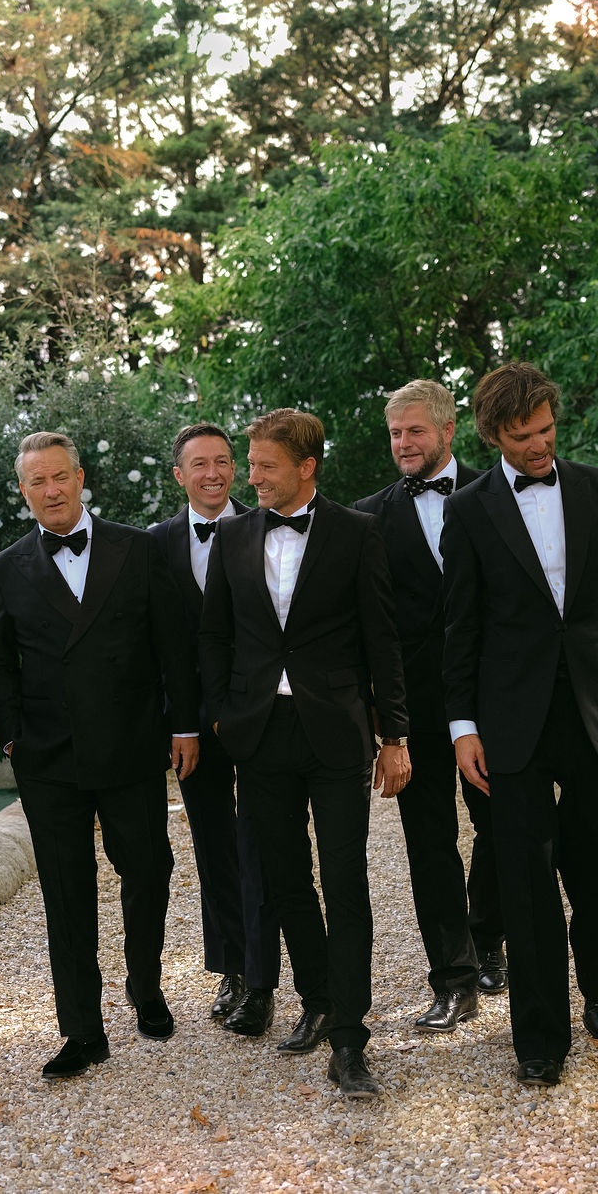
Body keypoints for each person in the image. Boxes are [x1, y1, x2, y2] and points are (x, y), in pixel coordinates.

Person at [442, 363, 598, 1087]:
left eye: (547, 429)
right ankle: (538, 1037)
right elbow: (459, 626)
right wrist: (462, 725)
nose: (539, 445)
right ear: (494, 433)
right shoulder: (468, 510)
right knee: (524, 881)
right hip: (508, 720)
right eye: (523, 435)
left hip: (595, 709)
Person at [200, 408, 410, 1098]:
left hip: (336, 730)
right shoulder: (231, 538)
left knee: (345, 883)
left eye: (264, 465)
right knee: (286, 880)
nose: (250, 476)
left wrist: (394, 735)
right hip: (260, 733)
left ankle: (350, 1039)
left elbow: (384, 638)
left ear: (307, 466)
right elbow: (216, 639)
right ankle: (317, 994)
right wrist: (225, 718)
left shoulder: (357, 532)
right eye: (250, 463)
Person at [0, 432, 199, 1080]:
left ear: (80, 478)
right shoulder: (6, 567)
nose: (51, 490)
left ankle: (145, 985)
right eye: (36, 482)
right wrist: (13, 737)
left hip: (131, 745)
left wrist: (183, 725)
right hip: (50, 758)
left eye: (59, 477)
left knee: (150, 869)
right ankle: (82, 1028)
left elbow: (171, 643)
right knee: (66, 895)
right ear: (24, 492)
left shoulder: (138, 547)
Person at [354, 380, 505, 1032]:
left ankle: (489, 939)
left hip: (492, 699)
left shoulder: (497, 496)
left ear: (449, 431)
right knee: (428, 841)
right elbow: (368, 630)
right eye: (395, 433)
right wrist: (385, 724)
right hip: (411, 707)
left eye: (415, 430)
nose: (404, 444)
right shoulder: (367, 519)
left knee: (500, 826)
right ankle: (452, 977)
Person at [150, 422, 280, 1036]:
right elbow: (159, 645)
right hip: (192, 725)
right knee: (213, 847)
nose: (212, 473)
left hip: (259, 716)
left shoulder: (266, 527)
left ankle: (263, 977)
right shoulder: (157, 545)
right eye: (198, 464)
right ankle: (230, 964)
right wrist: (179, 725)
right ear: (179, 476)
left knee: (262, 843)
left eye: (223, 461)